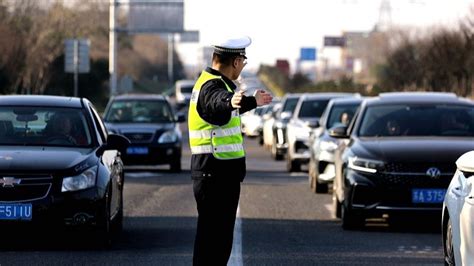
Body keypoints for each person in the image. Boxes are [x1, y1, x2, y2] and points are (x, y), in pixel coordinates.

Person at [188, 35, 272, 265]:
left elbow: (226, 107)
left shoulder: (214, 82)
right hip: (214, 174)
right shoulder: (211, 87)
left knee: (216, 240)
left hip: (217, 174)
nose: (243, 66)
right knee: (213, 241)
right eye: (243, 61)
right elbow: (218, 102)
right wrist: (229, 101)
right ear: (235, 61)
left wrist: (252, 102)